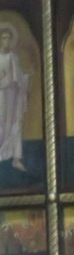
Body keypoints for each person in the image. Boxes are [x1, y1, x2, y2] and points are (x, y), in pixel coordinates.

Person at [0, 25, 30, 173]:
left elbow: (18, 78)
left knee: (14, 124)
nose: (7, 41)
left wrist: (25, 77)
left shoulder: (14, 57)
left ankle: (16, 159)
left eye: (8, 38)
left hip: (12, 97)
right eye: (4, 38)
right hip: (0, 97)